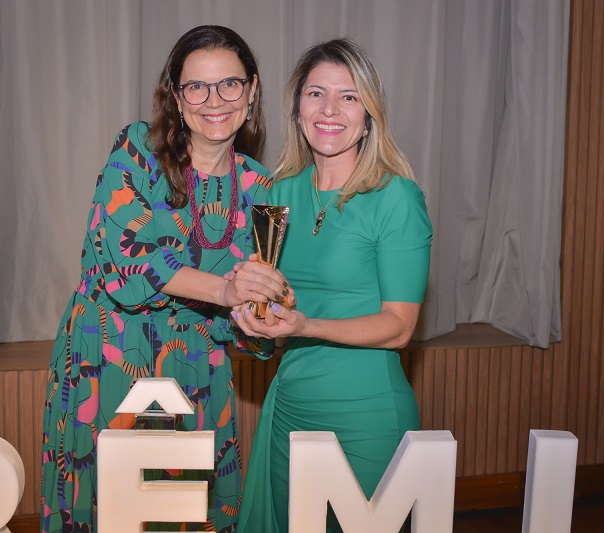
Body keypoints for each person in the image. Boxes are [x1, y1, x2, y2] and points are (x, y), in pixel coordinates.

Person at [41, 25, 290, 533]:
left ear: (252, 91)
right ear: (176, 98)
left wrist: (266, 310)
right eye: (196, 86)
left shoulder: (261, 189)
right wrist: (224, 290)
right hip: (107, 357)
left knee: (184, 517)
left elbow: (246, 327)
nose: (214, 100)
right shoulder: (137, 150)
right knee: (102, 512)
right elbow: (126, 261)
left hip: (197, 368)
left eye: (229, 84)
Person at [233, 38, 433, 532]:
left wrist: (306, 325)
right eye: (316, 93)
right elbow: (269, 318)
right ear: (297, 108)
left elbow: (399, 327)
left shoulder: (397, 198)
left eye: (348, 96)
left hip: (366, 417)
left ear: (369, 115)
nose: (329, 109)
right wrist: (255, 324)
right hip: (289, 412)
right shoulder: (277, 195)